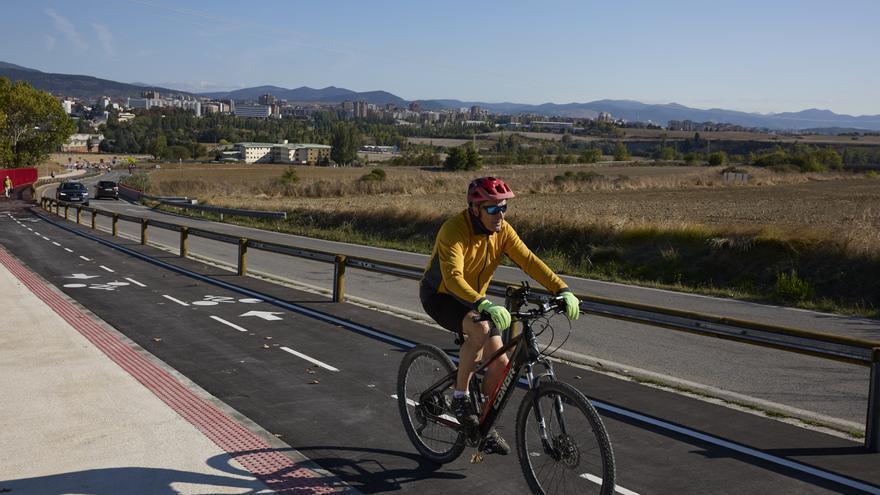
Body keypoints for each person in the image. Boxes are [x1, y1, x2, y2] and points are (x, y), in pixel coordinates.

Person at [419, 176, 581, 455]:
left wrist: (562, 289)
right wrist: (484, 303)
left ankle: (482, 422)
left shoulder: (502, 231)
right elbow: (454, 277)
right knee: (480, 330)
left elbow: (529, 260)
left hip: (474, 301)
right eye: (493, 209)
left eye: (504, 207)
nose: (500, 214)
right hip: (442, 295)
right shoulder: (453, 230)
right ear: (475, 209)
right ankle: (459, 398)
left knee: (500, 365)